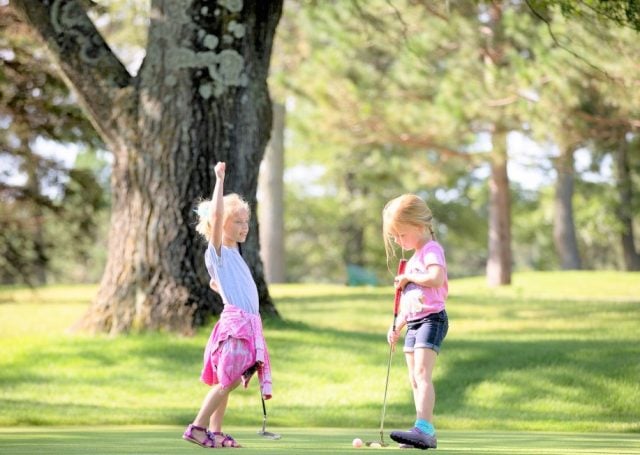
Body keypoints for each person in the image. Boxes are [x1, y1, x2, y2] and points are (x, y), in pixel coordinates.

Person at [183, 161, 272, 449]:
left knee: (227, 379)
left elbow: (230, 286)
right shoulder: (218, 250)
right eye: (238, 222)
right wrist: (219, 180)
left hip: (245, 324)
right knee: (228, 380)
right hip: (237, 327)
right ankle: (197, 427)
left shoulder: (234, 254)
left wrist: (219, 288)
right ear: (220, 225)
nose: (244, 227)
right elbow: (218, 212)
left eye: (246, 222)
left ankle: (217, 432)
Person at [382, 194, 449, 450]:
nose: (399, 241)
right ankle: (419, 430)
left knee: (422, 374)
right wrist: (397, 325)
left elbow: (436, 278)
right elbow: (410, 302)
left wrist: (409, 276)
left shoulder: (431, 250)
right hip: (414, 322)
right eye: (395, 237)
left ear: (420, 226)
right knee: (413, 377)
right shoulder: (414, 258)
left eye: (402, 234)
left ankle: (425, 428)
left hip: (432, 319)